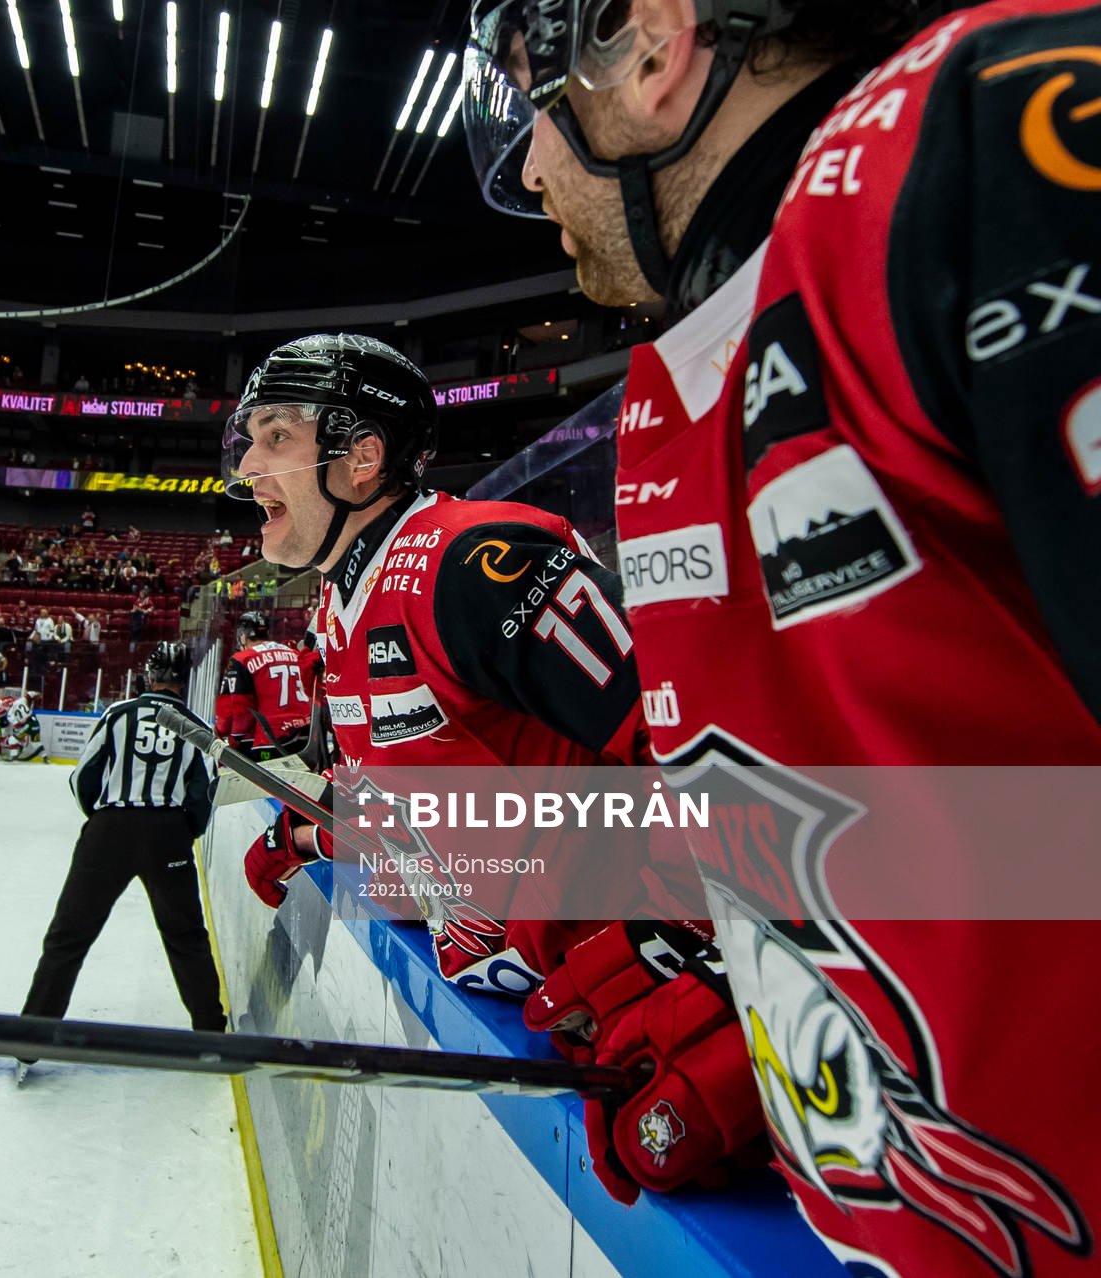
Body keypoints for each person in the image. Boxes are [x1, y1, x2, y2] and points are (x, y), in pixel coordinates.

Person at [461, 0, 1101, 1264]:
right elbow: (956, 827)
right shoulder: (679, 388)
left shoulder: (989, 128)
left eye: (538, 102)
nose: (530, 168)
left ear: (647, 41)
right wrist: (743, 979)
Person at [225, 334, 760, 1193]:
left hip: (640, 1021)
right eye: (250, 437)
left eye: (277, 435)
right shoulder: (336, 606)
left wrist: (693, 951)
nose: (249, 463)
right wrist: (312, 830)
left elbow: (712, 750)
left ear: (363, 457)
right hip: (533, 1000)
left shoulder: (471, 562)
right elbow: (428, 793)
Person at [18, 643, 224, 1079]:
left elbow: (82, 778)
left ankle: (30, 1038)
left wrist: (104, 823)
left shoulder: (118, 714)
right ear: (183, 682)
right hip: (168, 833)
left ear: (149, 678)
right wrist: (180, 833)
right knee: (185, 936)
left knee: (67, 937)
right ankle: (211, 1037)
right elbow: (203, 796)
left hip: (110, 830)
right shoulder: (196, 726)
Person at [213, 611, 310, 758]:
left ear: (243, 636)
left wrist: (230, 739)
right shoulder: (294, 653)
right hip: (305, 736)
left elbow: (241, 711)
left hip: (272, 741)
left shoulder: (241, 659)